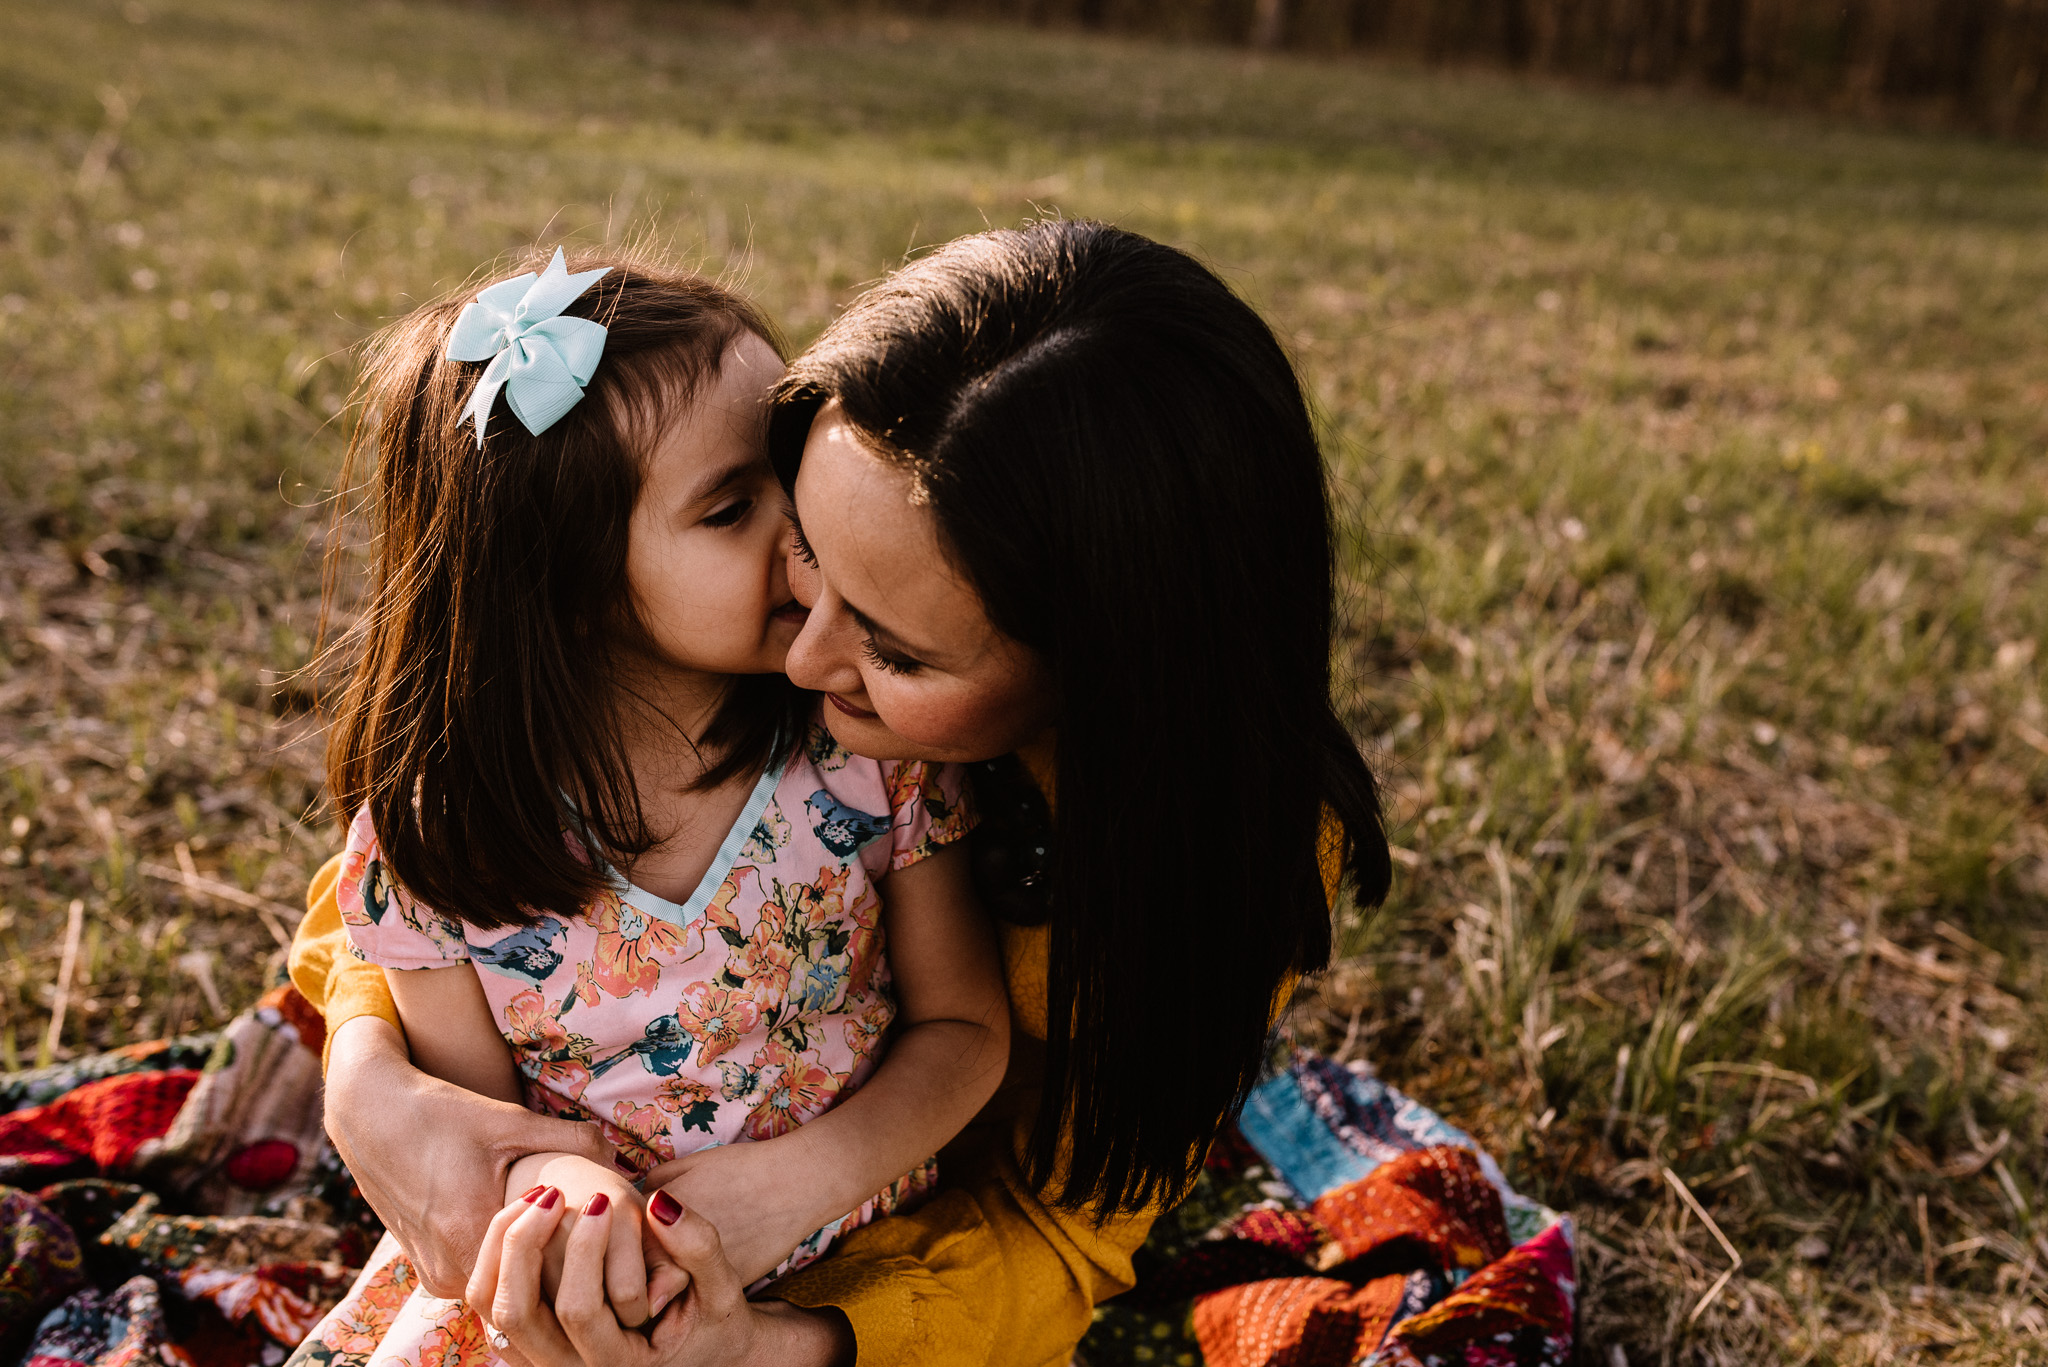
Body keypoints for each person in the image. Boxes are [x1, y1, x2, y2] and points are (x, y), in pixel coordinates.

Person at [290, 219, 1393, 1367]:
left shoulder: (1161, 854)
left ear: (1093, 662)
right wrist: (372, 1083)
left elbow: (1055, 1231)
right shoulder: (673, 676)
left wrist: (769, 1337)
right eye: (794, 520)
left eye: (892, 645)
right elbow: (409, 910)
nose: (808, 661)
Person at [287, 248, 1010, 1367]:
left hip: (847, 1263)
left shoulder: (869, 756)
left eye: (785, 469)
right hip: (581, 1303)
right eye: (729, 507)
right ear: (563, 585)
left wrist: (792, 1182)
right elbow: (477, 1137)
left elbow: (963, 1031)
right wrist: (561, 1196)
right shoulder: (442, 838)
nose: (801, 528)